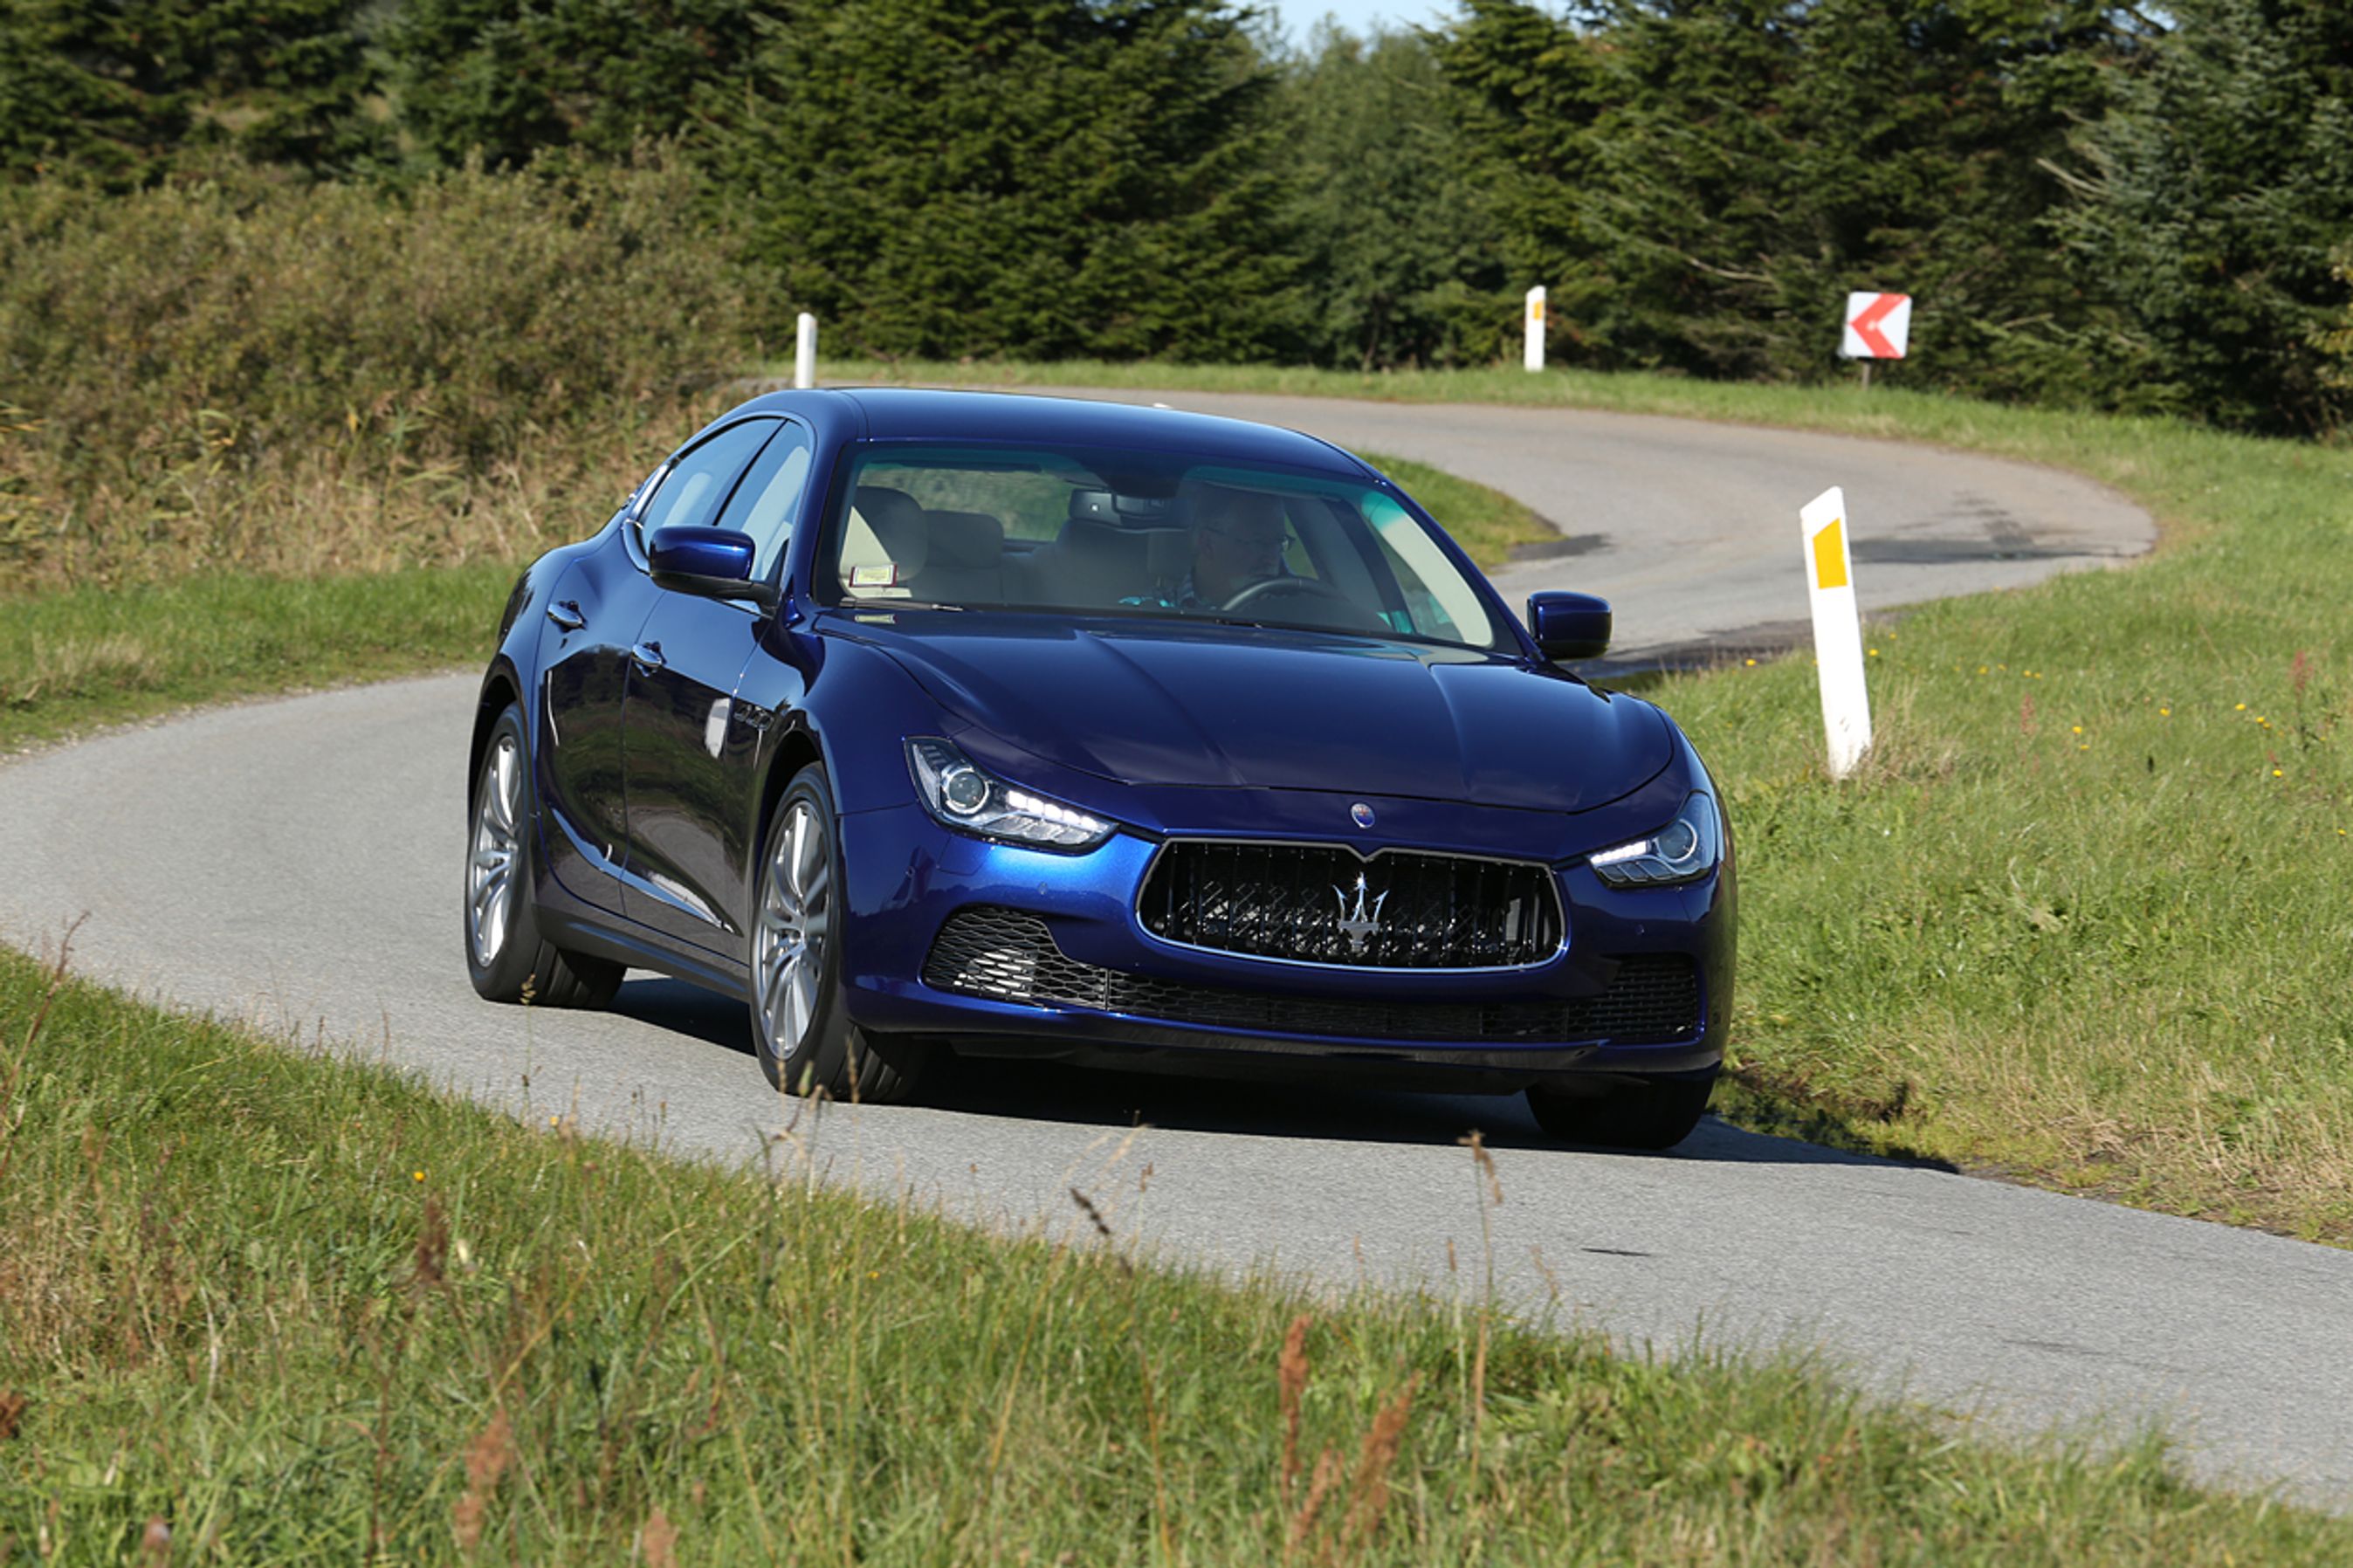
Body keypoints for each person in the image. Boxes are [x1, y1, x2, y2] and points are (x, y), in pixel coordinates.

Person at [1133, 483, 1290, 611]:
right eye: (1259, 542)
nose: (1272, 558)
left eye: (1278, 542)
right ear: (1208, 544)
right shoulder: (1146, 613)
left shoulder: (1295, 614)